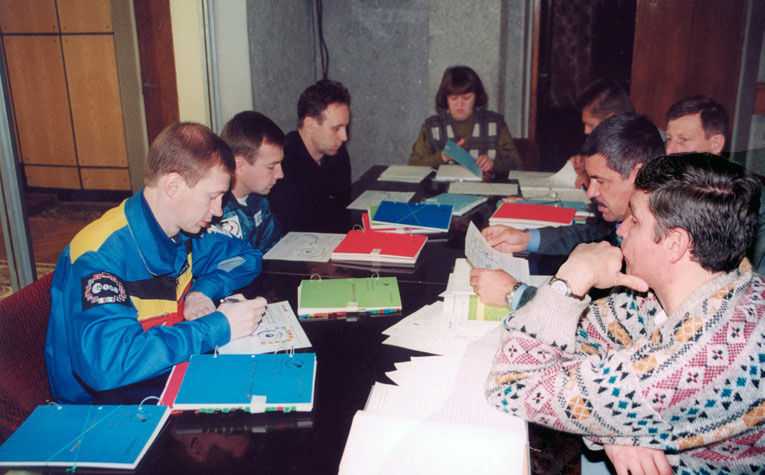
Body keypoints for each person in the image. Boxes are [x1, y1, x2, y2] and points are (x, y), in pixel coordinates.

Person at [486, 153, 764, 474]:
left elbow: (510, 383)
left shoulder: (698, 358)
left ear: (675, 244)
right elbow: (581, 336)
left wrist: (571, 279)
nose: (621, 229)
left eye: (635, 220)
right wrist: (618, 427)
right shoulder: (709, 283)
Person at [45, 122, 267, 404]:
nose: (218, 211)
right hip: (102, 410)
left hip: (160, 379)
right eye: (212, 197)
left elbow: (246, 257)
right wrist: (217, 327)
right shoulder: (99, 255)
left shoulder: (183, 231)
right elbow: (109, 363)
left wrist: (202, 291)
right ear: (173, 186)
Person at [470, 113, 664, 311]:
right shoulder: (625, 221)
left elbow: (599, 320)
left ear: (638, 175)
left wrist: (515, 294)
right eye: (591, 179)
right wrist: (524, 238)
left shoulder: (652, 248)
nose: (591, 192)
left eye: (601, 181)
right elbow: (594, 235)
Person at [664, 95, 764, 275]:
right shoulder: (673, 184)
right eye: (669, 139)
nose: (670, 150)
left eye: (683, 140)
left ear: (716, 144)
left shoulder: (749, 199)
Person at [407, 65, 522, 178]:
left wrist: (493, 164)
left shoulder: (495, 124)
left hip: (485, 187)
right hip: (444, 189)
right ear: (446, 98)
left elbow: (517, 164)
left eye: (466, 98)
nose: (460, 104)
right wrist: (441, 157)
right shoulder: (431, 127)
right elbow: (413, 165)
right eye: (453, 98)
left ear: (476, 96)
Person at [269, 79, 352, 233]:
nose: (344, 137)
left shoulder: (338, 155)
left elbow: (343, 212)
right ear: (310, 125)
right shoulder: (282, 164)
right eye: (336, 129)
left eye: (345, 127)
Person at [208, 111, 285, 254]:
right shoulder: (214, 211)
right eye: (271, 167)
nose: (280, 174)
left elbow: (273, 247)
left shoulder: (259, 200)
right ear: (239, 166)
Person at [569, 78, 635, 188]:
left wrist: (592, 179)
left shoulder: (639, 147)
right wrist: (585, 168)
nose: (586, 131)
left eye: (591, 125)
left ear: (610, 119)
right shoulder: (610, 142)